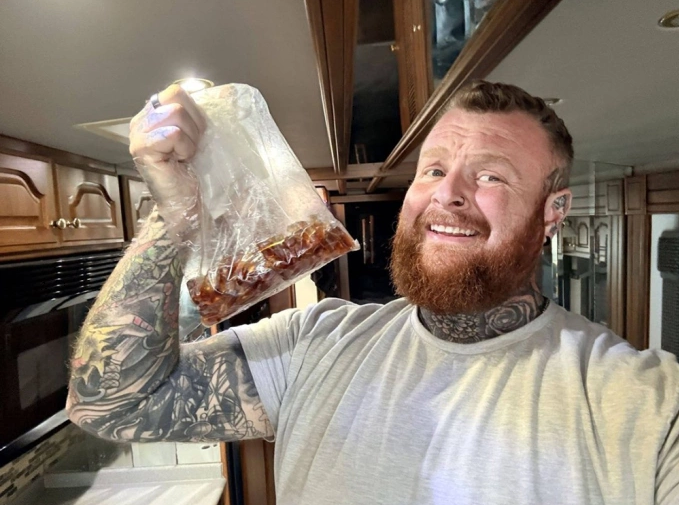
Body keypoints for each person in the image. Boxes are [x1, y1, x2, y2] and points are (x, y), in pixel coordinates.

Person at [66, 81, 679, 504]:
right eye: (433, 169)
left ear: (553, 213)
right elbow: (109, 403)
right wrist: (175, 221)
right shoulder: (313, 346)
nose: (447, 193)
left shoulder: (646, 403)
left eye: (490, 175)